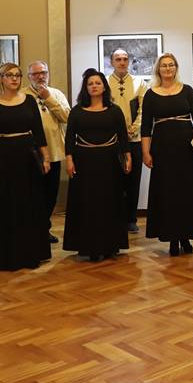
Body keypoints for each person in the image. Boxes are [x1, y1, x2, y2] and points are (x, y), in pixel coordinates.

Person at [141, 53, 193, 256]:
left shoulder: (187, 90)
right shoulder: (150, 94)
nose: (168, 68)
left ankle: (187, 236)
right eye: (164, 65)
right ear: (158, 69)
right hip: (162, 150)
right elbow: (145, 128)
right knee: (167, 193)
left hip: (187, 150)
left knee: (187, 192)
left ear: (176, 68)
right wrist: (145, 152)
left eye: (171, 65)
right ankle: (172, 238)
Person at [0, 63, 51, 271]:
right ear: (1, 78)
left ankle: (32, 252)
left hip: (28, 157)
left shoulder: (29, 100)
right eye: (9, 75)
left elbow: (39, 132)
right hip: (4, 158)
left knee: (30, 203)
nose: (14, 78)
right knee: (6, 206)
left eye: (17, 75)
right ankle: (6, 255)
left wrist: (46, 158)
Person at [63, 68, 131, 262]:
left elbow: (123, 136)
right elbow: (69, 138)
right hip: (84, 163)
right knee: (87, 203)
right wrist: (69, 159)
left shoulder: (115, 110)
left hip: (110, 162)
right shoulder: (76, 111)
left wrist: (128, 157)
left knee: (109, 202)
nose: (94, 86)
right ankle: (89, 245)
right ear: (86, 88)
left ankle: (111, 244)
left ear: (104, 87)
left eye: (98, 83)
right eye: (90, 83)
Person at [26, 60, 71, 245]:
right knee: (33, 194)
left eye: (43, 73)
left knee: (50, 194)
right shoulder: (23, 95)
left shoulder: (56, 93)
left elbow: (67, 117)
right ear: (29, 77)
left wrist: (48, 98)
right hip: (31, 154)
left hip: (54, 152)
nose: (40, 76)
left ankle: (44, 228)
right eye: (35, 74)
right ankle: (32, 230)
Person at [107, 48, 148, 233]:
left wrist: (133, 129)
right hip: (112, 140)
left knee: (133, 181)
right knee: (113, 180)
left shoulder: (140, 83)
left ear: (129, 61)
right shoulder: (105, 82)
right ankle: (115, 217)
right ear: (112, 62)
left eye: (125, 59)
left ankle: (131, 219)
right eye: (118, 59)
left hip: (134, 139)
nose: (122, 62)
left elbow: (143, 109)